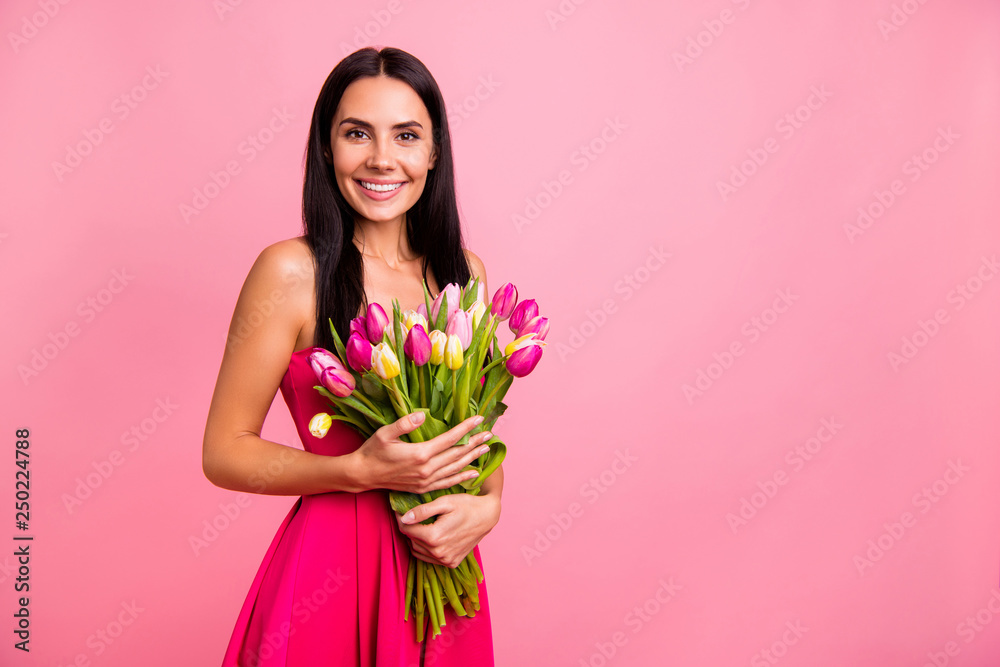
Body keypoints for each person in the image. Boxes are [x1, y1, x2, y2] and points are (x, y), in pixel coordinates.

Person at [202, 46, 500, 666]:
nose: (382, 159)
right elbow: (224, 452)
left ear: (434, 152)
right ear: (326, 147)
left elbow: (476, 442)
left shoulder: (462, 276)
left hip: (441, 574)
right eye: (357, 133)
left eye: (407, 135)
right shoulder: (291, 272)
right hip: (330, 573)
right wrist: (359, 472)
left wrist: (488, 508)